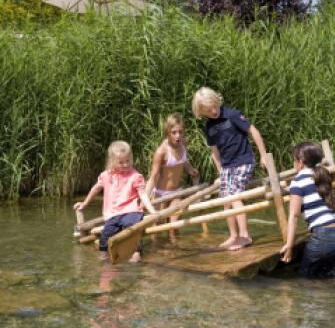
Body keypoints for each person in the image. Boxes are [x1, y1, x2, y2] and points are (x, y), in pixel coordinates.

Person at [192, 87, 267, 250]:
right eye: (207, 110)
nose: (213, 111)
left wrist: (263, 155)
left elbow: (253, 130)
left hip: (243, 161)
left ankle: (245, 235)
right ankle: (234, 235)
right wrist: (221, 173)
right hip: (227, 166)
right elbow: (214, 153)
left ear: (217, 101)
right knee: (225, 199)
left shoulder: (232, 115)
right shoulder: (209, 127)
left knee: (234, 196)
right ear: (201, 111)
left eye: (214, 106)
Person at [280, 141, 335, 278]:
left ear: (300, 162)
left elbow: (293, 216)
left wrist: (289, 247)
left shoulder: (298, 182)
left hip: (323, 235)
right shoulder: (323, 175)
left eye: (294, 160)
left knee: (306, 279)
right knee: (327, 277)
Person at [73, 140, 146, 263]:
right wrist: (85, 203)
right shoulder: (106, 175)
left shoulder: (134, 176)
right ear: (112, 162)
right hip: (113, 214)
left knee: (131, 228)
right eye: (121, 162)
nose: (125, 165)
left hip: (131, 211)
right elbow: (96, 188)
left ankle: (136, 253)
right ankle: (106, 261)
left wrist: (151, 209)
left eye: (128, 161)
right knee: (106, 237)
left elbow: (142, 194)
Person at [145, 113, 199, 242]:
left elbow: (183, 161)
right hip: (161, 194)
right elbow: (153, 177)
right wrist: (145, 198)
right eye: (174, 132)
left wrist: (191, 170)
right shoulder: (161, 151)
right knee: (157, 230)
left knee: (174, 228)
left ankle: (175, 251)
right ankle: (157, 254)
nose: (178, 136)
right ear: (167, 132)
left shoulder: (183, 143)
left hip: (176, 193)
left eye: (180, 132)